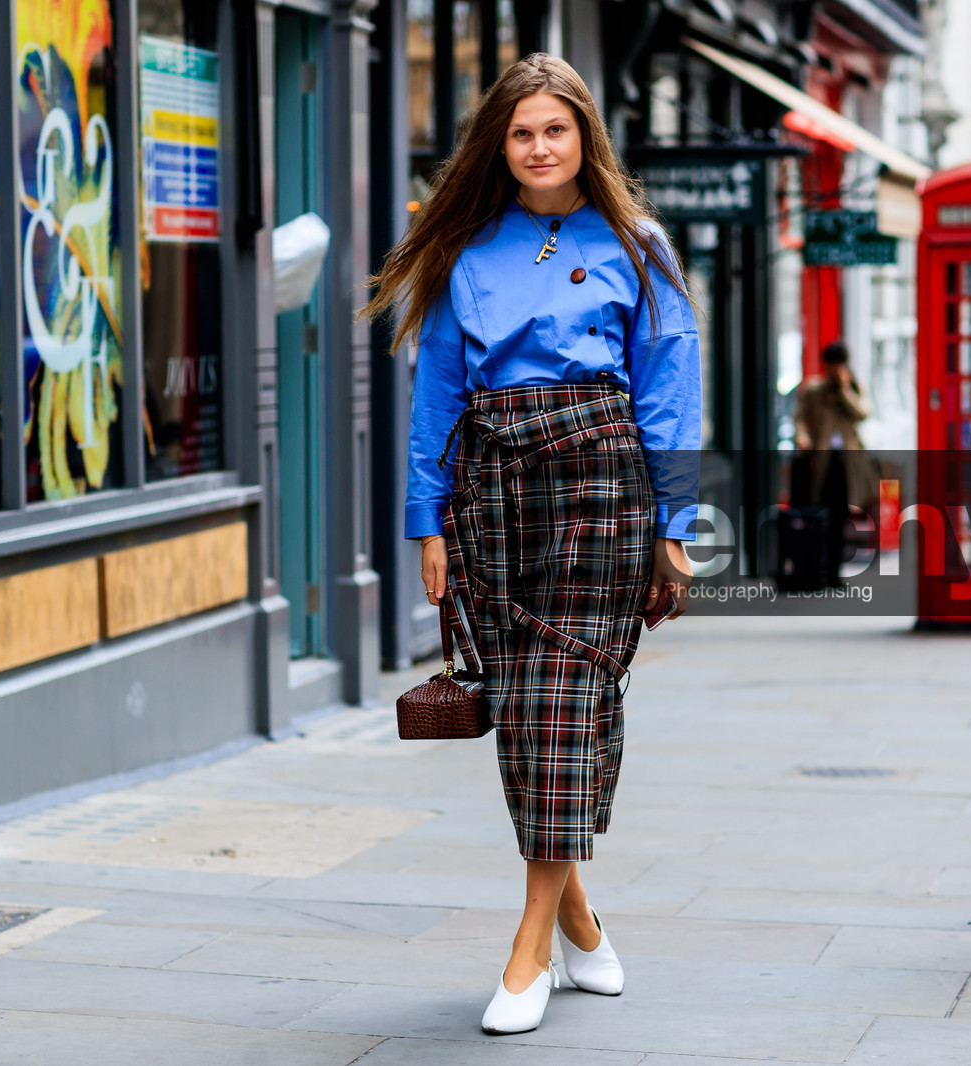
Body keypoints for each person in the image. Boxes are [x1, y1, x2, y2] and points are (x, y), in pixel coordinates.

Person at [362, 53, 700, 1036]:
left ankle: (526, 949)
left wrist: (673, 529)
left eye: (556, 129)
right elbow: (436, 399)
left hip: (604, 484)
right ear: (498, 146)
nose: (540, 146)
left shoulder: (637, 244)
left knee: (564, 698)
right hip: (491, 492)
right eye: (521, 132)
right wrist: (427, 520)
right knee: (525, 711)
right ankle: (582, 921)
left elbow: (670, 392)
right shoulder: (462, 247)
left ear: (583, 137)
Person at [790, 342, 870, 586]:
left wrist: (845, 390)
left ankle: (835, 572)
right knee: (818, 516)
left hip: (846, 463)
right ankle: (816, 569)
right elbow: (800, 419)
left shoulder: (853, 389)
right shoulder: (815, 391)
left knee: (840, 518)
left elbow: (863, 413)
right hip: (820, 461)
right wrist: (801, 436)